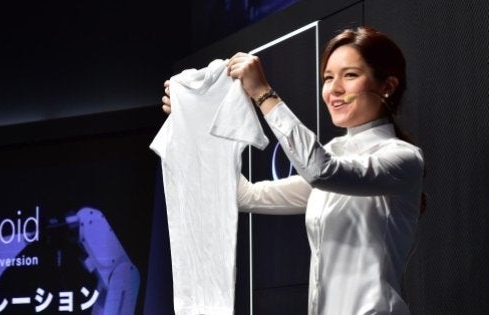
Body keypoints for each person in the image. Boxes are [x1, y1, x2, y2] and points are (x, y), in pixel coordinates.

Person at [161, 26, 426, 315]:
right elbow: (244, 195)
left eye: (350, 75)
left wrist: (263, 93)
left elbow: (321, 171)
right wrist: (195, 122)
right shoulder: (336, 153)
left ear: (387, 85)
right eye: (327, 78)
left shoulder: (404, 159)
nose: (334, 89)